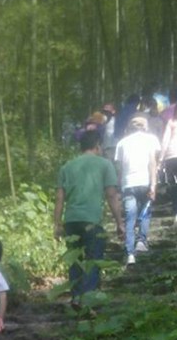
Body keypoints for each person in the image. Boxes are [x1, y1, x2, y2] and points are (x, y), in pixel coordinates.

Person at [53, 130, 124, 304]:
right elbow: (111, 195)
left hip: (71, 221)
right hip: (92, 221)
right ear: (98, 145)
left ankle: (77, 297)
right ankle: (89, 302)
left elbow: (59, 198)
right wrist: (119, 222)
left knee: (75, 260)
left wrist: (57, 224)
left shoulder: (67, 167)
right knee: (93, 260)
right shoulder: (105, 165)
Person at [114, 114, 161, 265]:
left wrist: (119, 186)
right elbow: (152, 163)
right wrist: (153, 184)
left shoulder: (122, 143)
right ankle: (141, 241)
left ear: (130, 127)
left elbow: (120, 168)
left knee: (129, 218)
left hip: (128, 184)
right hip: (145, 181)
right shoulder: (151, 139)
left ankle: (130, 254)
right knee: (145, 213)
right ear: (145, 127)